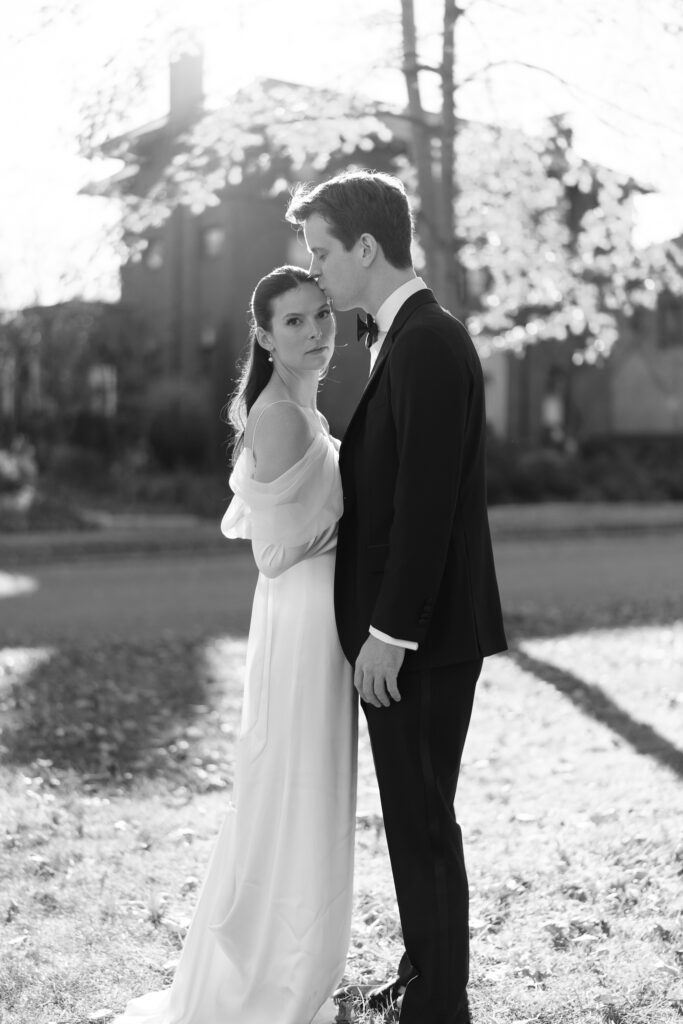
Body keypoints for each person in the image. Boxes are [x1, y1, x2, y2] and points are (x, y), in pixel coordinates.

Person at [287, 171, 508, 1024]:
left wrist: (388, 633)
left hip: (420, 637)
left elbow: (426, 503)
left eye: (322, 253)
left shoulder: (425, 341)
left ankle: (439, 1004)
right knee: (416, 808)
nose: (316, 272)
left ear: (367, 249)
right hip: (418, 632)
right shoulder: (404, 335)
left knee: (420, 819)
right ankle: (424, 969)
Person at [112, 265, 357, 1024]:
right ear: (263, 334)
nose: (316, 331)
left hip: (316, 611)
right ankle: (266, 973)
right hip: (303, 615)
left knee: (307, 783)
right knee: (293, 783)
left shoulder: (304, 412)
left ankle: (294, 961)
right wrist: (362, 520)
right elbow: (274, 550)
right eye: (294, 322)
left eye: (321, 314)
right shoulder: (280, 415)